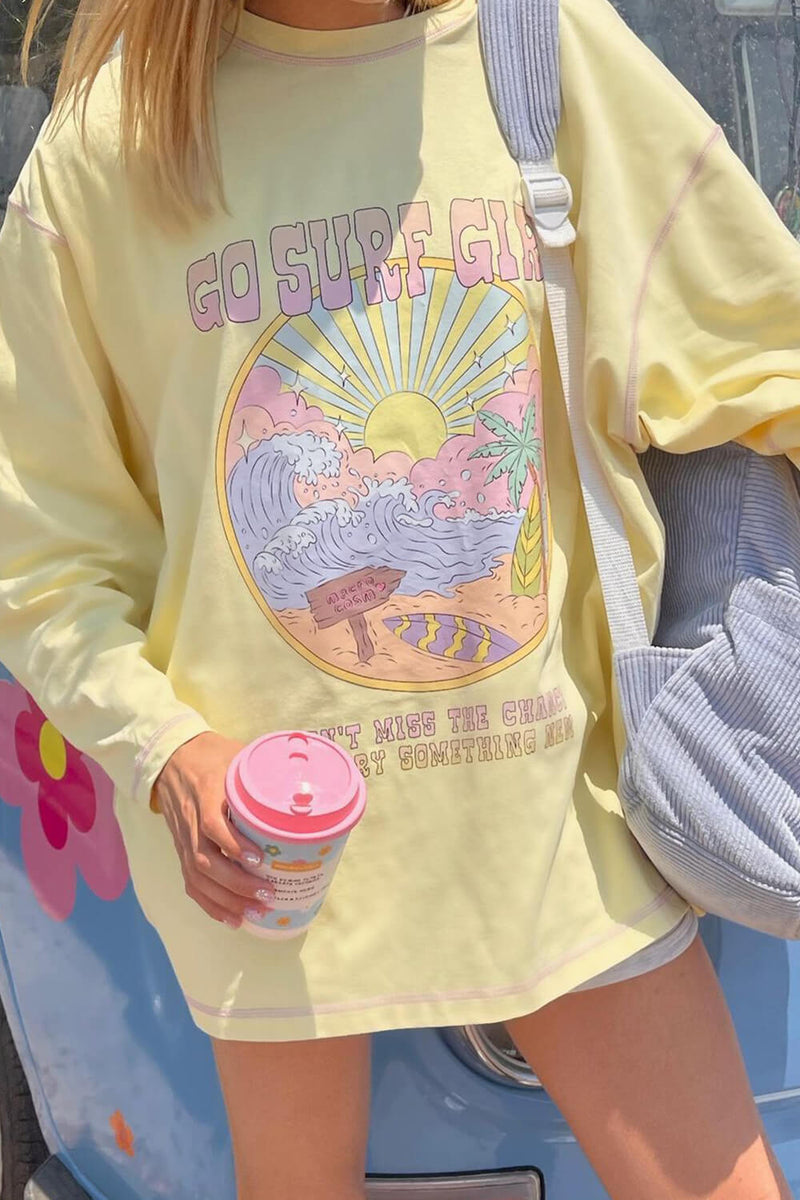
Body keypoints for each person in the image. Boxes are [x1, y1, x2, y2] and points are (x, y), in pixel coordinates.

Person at [0, 0, 798, 1196]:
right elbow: (40, 548)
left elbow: (761, 348)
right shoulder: (111, 147)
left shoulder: (538, 56)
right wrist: (165, 749)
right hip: (271, 867)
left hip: (560, 839)